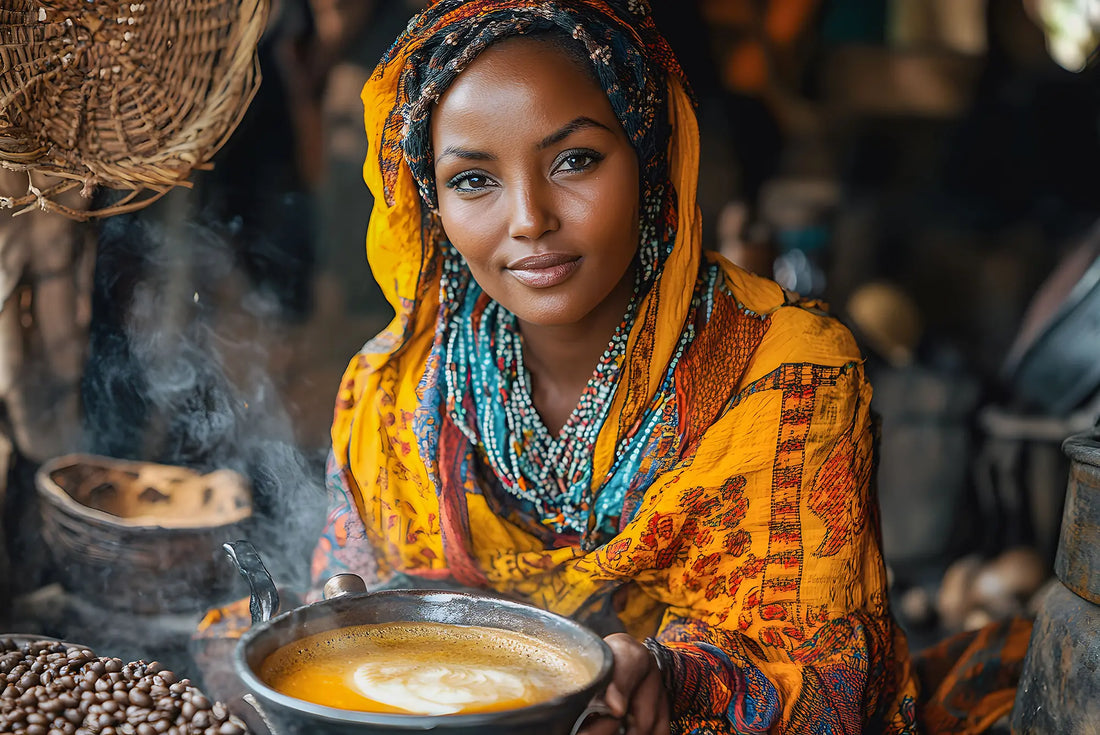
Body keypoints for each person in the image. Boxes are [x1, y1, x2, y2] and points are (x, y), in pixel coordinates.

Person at [309, 1, 919, 733]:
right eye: (472, 179)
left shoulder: (785, 373)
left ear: (648, 157)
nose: (529, 218)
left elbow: (831, 677)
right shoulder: (397, 391)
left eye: (575, 160)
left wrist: (672, 677)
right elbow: (345, 620)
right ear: (431, 202)